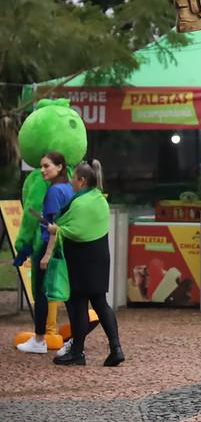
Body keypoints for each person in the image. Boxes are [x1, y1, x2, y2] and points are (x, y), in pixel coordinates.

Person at [49, 160, 125, 366]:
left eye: (74, 178)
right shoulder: (100, 199)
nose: (71, 182)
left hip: (80, 259)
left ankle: (77, 352)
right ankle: (116, 348)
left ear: (82, 181)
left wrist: (57, 230)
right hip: (100, 257)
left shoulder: (78, 203)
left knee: (78, 304)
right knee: (100, 302)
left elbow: (72, 229)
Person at [16, 152, 74, 354]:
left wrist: (46, 254)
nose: (42, 170)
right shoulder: (69, 188)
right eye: (41, 166)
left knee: (40, 292)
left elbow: (52, 226)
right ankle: (74, 341)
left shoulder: (53, 192)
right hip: (67, 246)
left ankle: (39, 339)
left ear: (59, 167)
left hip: (46, 245)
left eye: (46, 166)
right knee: (68, 292)